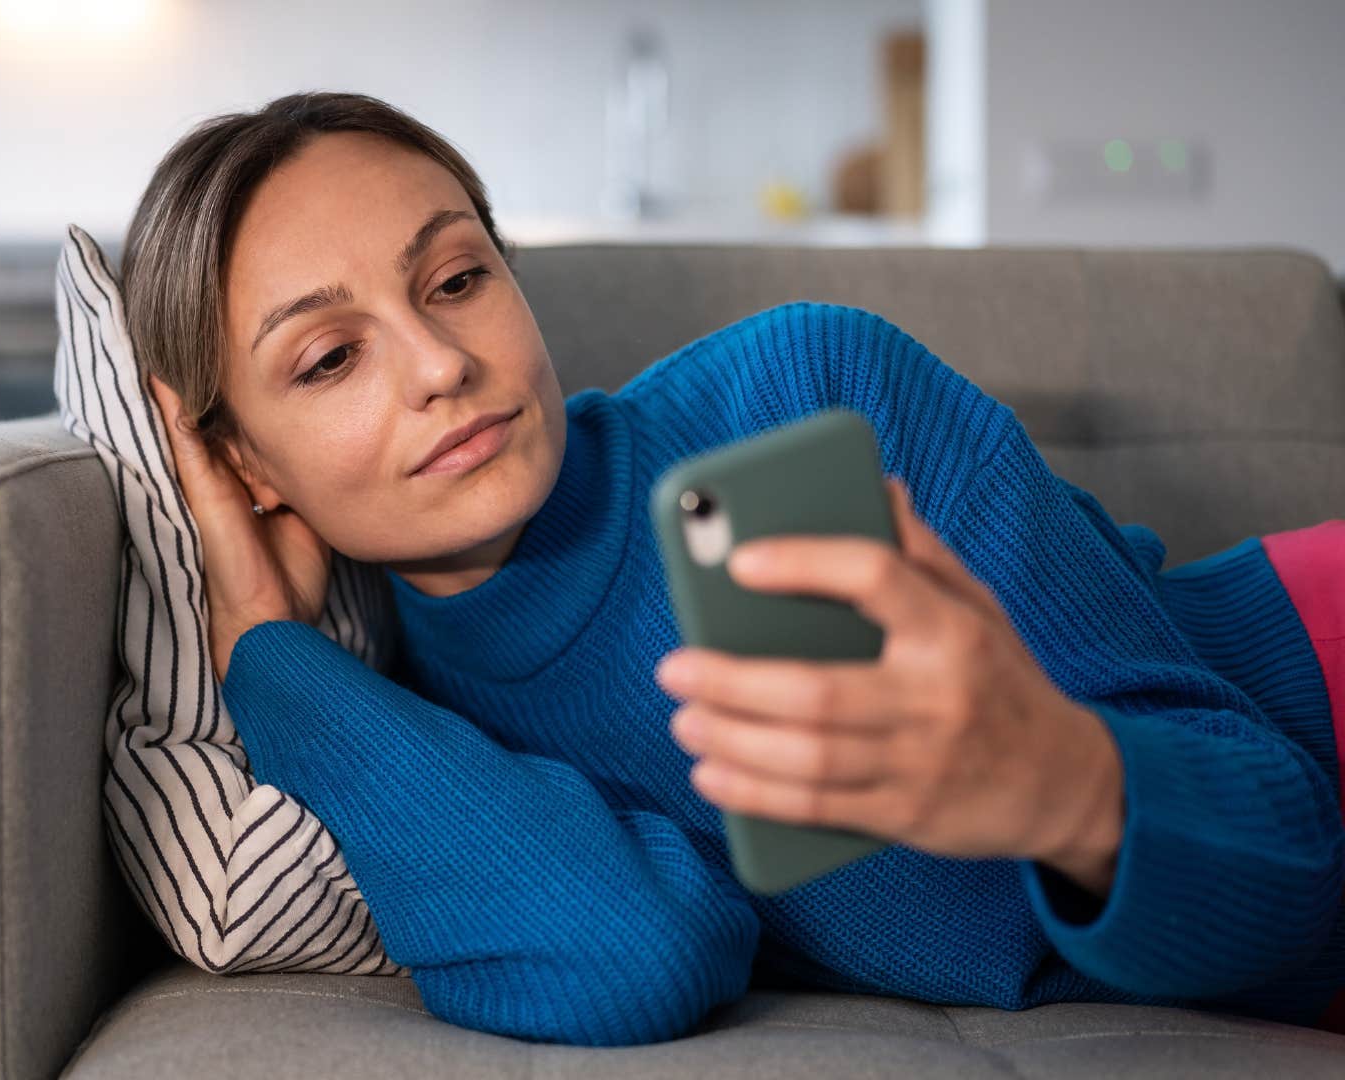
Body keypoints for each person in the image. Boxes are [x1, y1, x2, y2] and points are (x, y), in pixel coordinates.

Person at [126, 89, 1345, 1046]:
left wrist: (1065, 783)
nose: (441, 363)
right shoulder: (414, 724)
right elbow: (629, 958)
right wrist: (267, 656)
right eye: (330, 358)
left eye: (457, 279)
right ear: (245, 464)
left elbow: (1295, 844)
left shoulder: (801, 393)